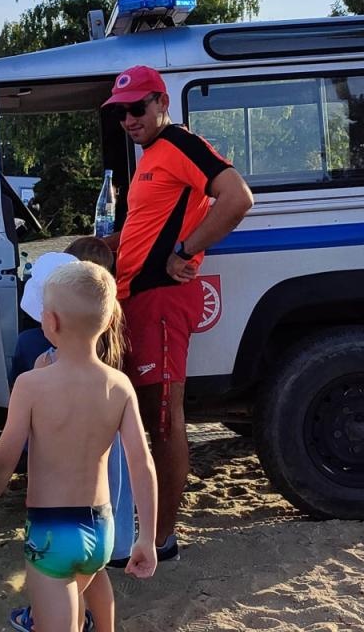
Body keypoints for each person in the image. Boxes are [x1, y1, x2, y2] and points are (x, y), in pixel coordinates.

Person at [101, 65, 253, 560]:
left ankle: (162, 538)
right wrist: (105, 245)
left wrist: (186, 251)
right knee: (142, 417)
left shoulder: (182, 144)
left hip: (163, 298)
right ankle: (145, 530)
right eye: (121, 112)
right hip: (134, 301)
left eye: (138, 107)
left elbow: (238, 197)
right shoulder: (150, 158)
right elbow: (147, 226)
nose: (129, 118)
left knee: (163, 420)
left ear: (162, 102)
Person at [0, 261, 159, 632]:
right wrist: (146, 536)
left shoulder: (31, 385)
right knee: (93, 585)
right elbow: (141, 463)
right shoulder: (119, 385)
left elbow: (4, 460)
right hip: (101, 528)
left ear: (50, 322)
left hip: (51, 529)